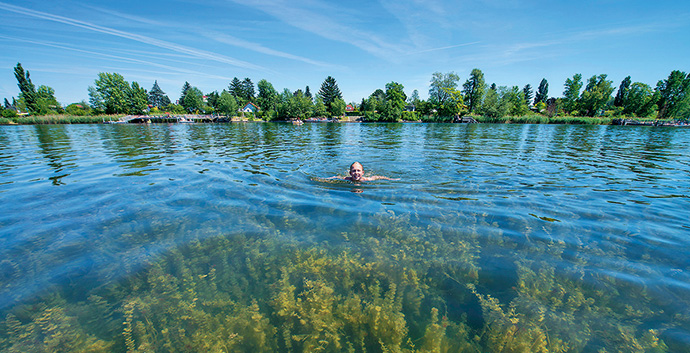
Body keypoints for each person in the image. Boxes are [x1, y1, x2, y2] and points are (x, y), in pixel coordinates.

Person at [328, 162, 398, 182]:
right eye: (354, 171)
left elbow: (378, 177)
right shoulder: (346, 179)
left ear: (362, 173)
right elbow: (337, 177)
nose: (356, 173)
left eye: (358, 171)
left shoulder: (367, 179)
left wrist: (390, 179)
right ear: (350, 173)